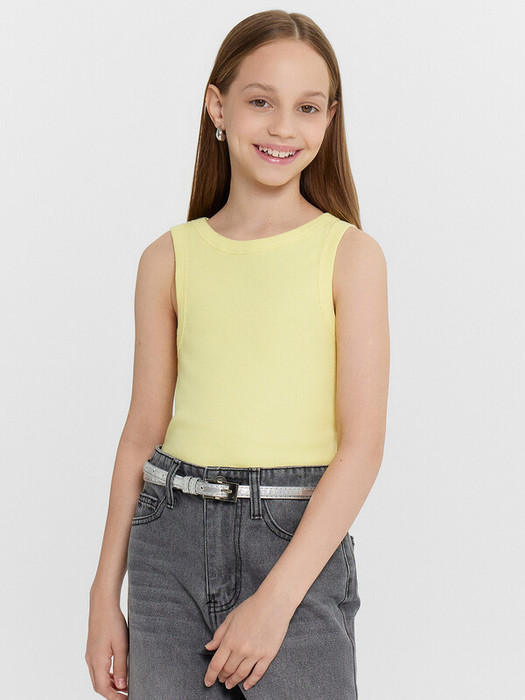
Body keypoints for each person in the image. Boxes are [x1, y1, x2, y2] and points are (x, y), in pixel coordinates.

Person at [85, 9, 389, 699]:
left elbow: (362, 447)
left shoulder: (349, 255)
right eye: (260, 102)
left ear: (329, 119)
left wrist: (275, 602)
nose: (283, 127)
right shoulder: (168, 258)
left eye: (306, 107)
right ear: (217, 107)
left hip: (295, 541)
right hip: (167, 548)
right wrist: (105, 594)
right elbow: (140, 435)